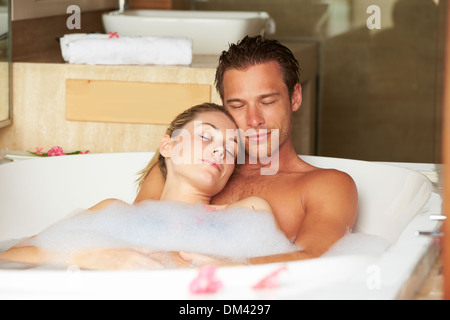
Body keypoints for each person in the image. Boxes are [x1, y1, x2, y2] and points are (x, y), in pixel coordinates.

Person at [135, 36, 359, 264]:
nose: (254, 120)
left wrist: (229, 269)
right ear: (223, 108)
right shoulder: (187, 165)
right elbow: (130, 242)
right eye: (238, 105)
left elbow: (313, 262)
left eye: (268, 101)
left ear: (295, 97)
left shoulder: (326, 186)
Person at [0, 103, 282, 270]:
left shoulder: (248, 214)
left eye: (231, 150)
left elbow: (286, 277)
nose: (220, 151)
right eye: (207, 136)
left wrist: (229, 271)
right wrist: (92, 255)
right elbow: (10, 258)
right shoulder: (113, 213)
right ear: (168, 145)